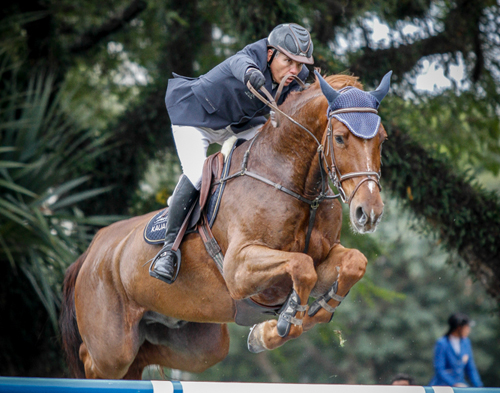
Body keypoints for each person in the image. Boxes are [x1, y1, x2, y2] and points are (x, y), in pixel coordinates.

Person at [149, 23, 314, 284]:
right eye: (288, 61)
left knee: (269, 149)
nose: (294, 70)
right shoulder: (248, 58)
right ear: (270, 53)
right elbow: (241, 64)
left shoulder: (297, 74)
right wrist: (251, 74)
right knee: (198, 175)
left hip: (239, 125)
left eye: (300, 64)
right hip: (197, 119)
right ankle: (167, 251)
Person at [429, 312, 483, 387]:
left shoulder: (466, 342)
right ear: (459, 327)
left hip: (461, 386)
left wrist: (479, 386)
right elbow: (439, 369)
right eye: (467, 327)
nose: (469, 330)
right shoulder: (442, 343)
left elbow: (471, 368)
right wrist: (454, 383)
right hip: (442, 386)